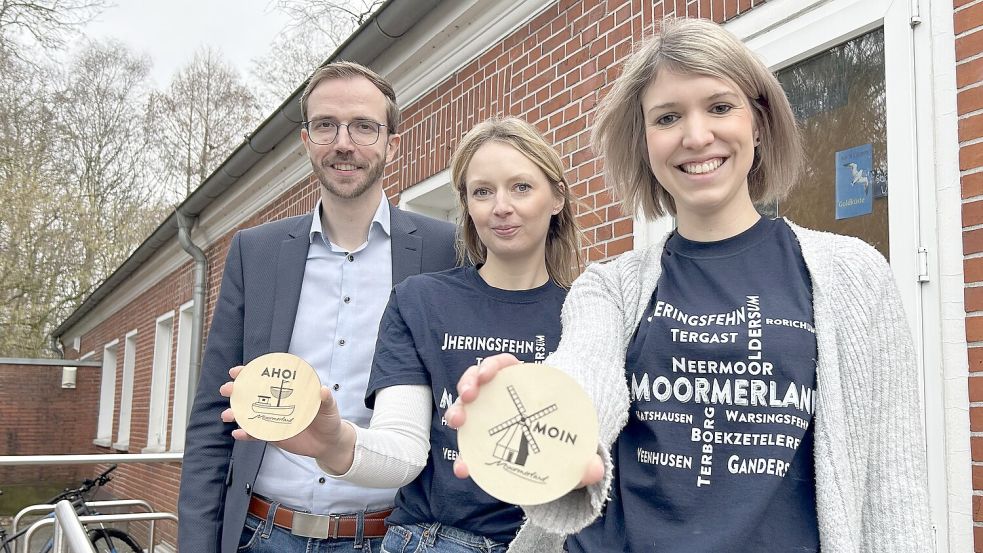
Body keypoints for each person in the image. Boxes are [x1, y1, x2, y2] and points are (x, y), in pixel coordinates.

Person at [448, 17, 932, 553]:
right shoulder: (609, 288)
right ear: (645, 141)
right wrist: (555, 413)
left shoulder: (854, 274)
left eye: (720, 107)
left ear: (759, 123)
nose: (696, 136)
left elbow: (895, 487)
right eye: (668, 117)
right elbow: (585, 370)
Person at [219, 116, 583, 552]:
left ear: (557, 196)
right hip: (429, 541)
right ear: (467, 204)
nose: (501, 206)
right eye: (482, 191)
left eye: (521, 187)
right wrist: (337, 445)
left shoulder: (586, 313)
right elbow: (406, 451)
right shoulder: (421, 301)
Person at [178, 61, 457, 553]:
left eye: (364, 126)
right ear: (306, 140)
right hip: (261, 535)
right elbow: (211, 416)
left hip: (390, 537)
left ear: (393, 142)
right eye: (326, 125)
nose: (344, 143)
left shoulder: (445, 250)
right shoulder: (256, 253)